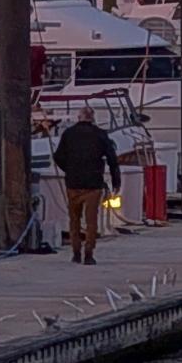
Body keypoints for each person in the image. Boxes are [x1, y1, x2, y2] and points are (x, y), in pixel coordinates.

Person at [51, 106, 120, 265]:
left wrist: (68, 169)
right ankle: (88, 253)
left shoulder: (69, 134)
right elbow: (112, 159)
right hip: (93, 184)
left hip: (73, 183)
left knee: (74, 219)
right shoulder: (100, 134)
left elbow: (58, 156)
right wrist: (116, 181)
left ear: (79, 117)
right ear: (93, 117)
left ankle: (76, 252)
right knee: (91, 221)